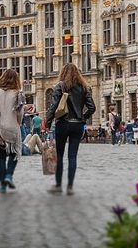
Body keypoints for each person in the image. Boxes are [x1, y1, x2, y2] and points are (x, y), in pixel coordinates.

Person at [45, 63, 96, 195]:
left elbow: (53, 106)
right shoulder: (84, 88)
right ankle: (70, 187)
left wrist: (48, 123)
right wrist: (83, 117)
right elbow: (92, 108)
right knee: (72, 156)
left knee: (60, 156)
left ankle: (58, 185)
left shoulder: (60, 86)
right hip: (77, 125)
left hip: (63, 123)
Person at [0, 69, 25, 193]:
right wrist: (18, 122)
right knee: (14, 154)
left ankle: (3, 184)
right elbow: (20, 114)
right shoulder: (18, 93)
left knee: (1, 157)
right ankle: (9, 175)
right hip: (13, 128)